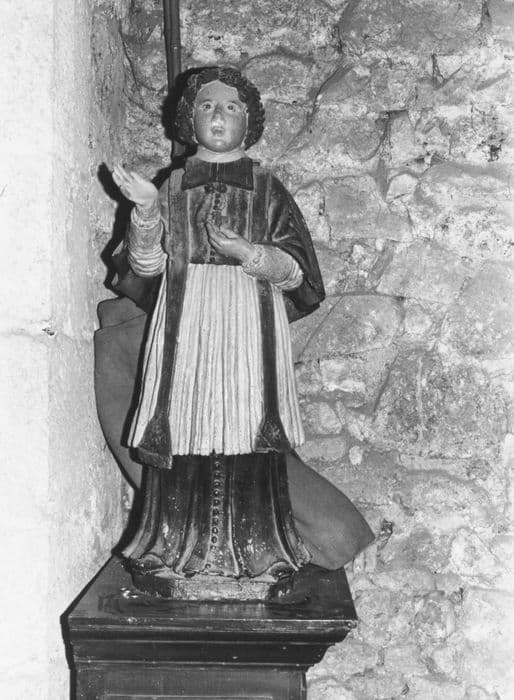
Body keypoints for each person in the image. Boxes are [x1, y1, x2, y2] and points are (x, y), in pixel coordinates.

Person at [98, 66, 373, 601]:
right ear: (189, 119)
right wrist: (147, 210)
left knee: (246, 433)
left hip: (247, 326)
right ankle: (175, 551)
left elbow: (298, 275)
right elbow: (146, 268)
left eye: (230, 107)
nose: (218, 116)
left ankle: (257, 552)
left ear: (249, 120)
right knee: (183, 430)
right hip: (185, 326)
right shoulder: (173, 185)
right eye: (206, 106)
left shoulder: (267, 189)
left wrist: (250, 253)